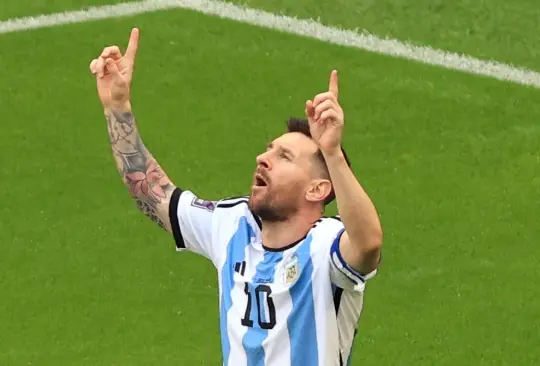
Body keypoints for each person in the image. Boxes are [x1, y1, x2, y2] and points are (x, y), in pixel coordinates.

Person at [89, 28, 383, 366]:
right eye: (269, 150)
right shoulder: (232, 224)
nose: (263, 158)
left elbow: (368, 244)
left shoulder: (326, 246)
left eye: (284, 157)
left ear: (317, 189)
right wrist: (117, 108)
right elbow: (153, 193)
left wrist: (332, 154)